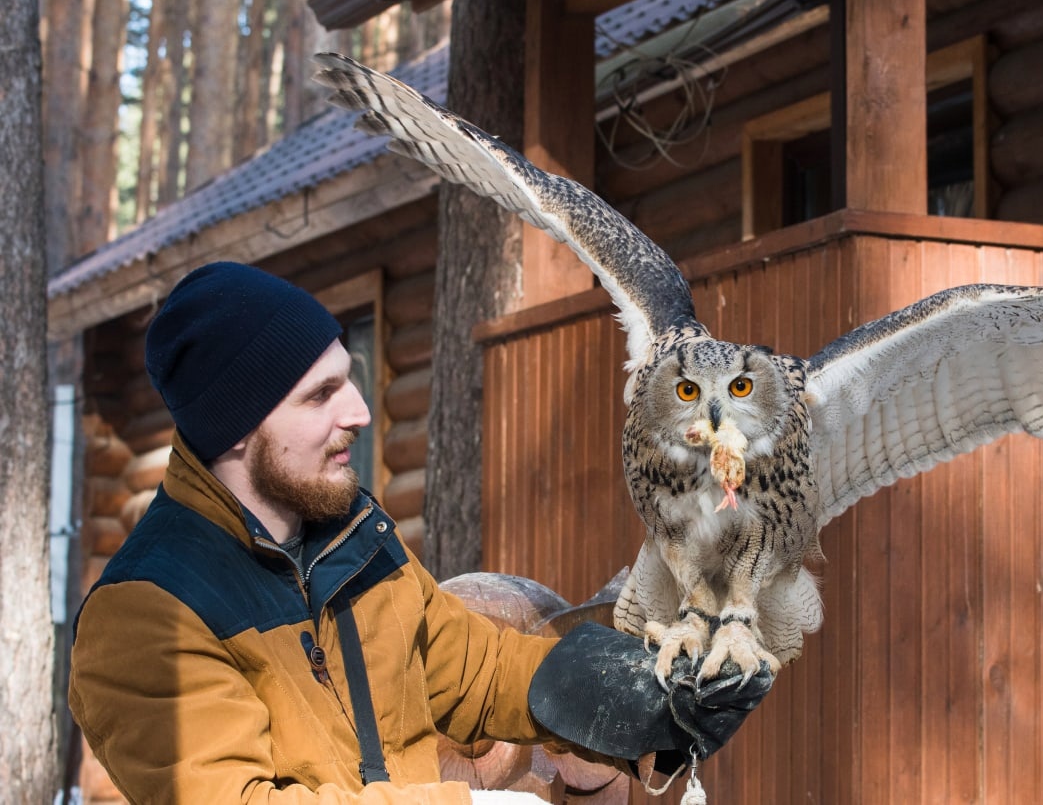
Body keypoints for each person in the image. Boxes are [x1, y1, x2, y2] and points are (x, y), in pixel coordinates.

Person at [68, 262, 770, 803]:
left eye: (349, 378)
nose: (359, 411)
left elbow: (477, 671)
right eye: (320, 395)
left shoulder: (352, 539)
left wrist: (642, 694)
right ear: (238, 428)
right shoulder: (147, 613)